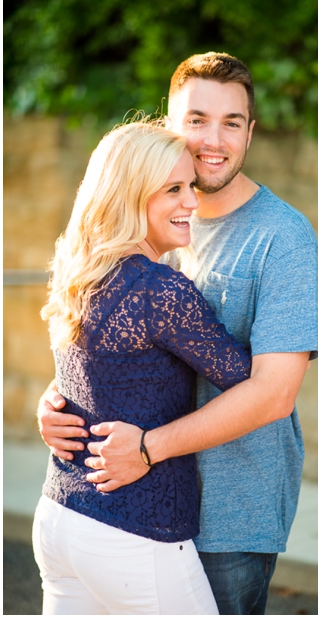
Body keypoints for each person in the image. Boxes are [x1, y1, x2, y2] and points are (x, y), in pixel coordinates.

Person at [37, 52, 318, 615]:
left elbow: (274, 392)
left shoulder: (284, 238)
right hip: (124, 503)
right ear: (168, 126)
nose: (213, 140)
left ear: (250, 132)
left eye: (231, 122)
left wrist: (148, 448)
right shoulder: (149, 222)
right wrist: (60, 400)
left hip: (230, 511)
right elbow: (101, 337)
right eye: (197, 119)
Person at [34, 122, 252, 613]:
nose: (192, 203)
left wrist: (47, 402)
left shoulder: (80, 270)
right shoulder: (159, 290)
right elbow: (247, 382)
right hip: (135, 532)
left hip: (58, 517)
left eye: (190, 187)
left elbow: (96, 370)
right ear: (131, 196)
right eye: (172, 189)